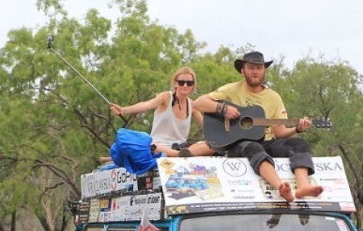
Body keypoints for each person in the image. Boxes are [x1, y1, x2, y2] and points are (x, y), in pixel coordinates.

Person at [193, 51, 324, 202]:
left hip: (266, 141)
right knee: (253, 146)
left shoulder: (273, 97)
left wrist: (297, 129)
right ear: (243, 70)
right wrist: (223, 109)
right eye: (251, 67)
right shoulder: (231, 89)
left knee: (299, 144)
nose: (255, 71)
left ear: (264, 71)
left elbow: (279, 132)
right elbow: (199, 103)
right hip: (238, 144)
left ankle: (302, 186)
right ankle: (281, 187)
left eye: (259, 68)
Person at [110, 66, 212, 157]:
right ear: (175, 83)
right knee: (153, 146)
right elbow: (146, 104)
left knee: (210, 146)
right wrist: (123, 110)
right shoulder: (166, 97)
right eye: (181, 82)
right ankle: (178, 155)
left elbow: (208, 129)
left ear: (193, 86)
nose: (185, 85)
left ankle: (178, 154)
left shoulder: (193, 106)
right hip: (159, 146)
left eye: (189, 83)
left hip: (181, 147)